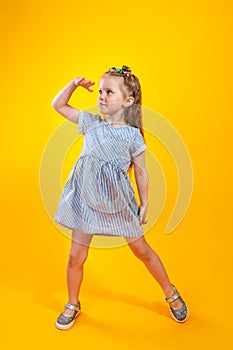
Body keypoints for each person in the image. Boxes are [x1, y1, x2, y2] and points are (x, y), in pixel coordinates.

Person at [52, 66, 188, 330]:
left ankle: (171, 292)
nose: (101, 96)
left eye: (109, 91)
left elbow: (141, 171)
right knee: (76, 256)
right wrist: (73, 84)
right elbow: (59, 105)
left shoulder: (132, 135)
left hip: (117, 201)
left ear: (128, 101)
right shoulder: (91, 123)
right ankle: (72, 303)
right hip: (85, 199)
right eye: (100, 91)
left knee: (141, 250)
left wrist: (144, 202)